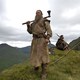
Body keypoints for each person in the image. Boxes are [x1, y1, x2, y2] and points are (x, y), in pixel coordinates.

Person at [26, 10, 52, 80]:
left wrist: (48, 38)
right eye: (36, 13)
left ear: (41, 14)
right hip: (34, 41)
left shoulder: (45, 21)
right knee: (35, 55)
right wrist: (28, 25)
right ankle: (36, 66)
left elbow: (49, 30)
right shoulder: (33, 23)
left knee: (43, 56)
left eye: (38, 13)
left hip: (42, 40)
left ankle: (44, 73)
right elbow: (30, 31)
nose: (37, 14)